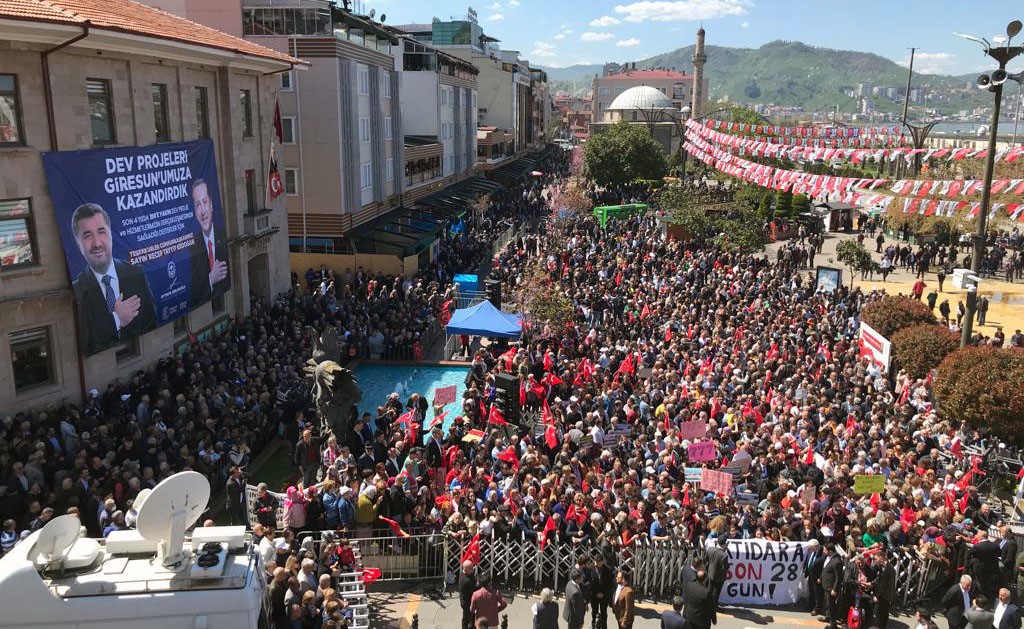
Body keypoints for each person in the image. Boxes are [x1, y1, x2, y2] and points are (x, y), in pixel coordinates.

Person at [70, 202, 156, 354]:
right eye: (87, 236)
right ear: (78, 243)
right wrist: (117, 319)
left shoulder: (136, 274)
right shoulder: (77, 290)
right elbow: (86, 341)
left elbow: (151, 323)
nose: (97, 243)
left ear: (111, 234)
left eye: (101, 232)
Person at [189, 178, 229, 305]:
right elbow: (193, 291)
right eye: (197, 205)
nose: (202, 211)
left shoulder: (223, 235)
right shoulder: (191, 246)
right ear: (195, 212)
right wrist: (210, 279)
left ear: (211, 205)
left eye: (204, 202)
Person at [705, 537, 730, 623]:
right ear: (724, 544)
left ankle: (707, 605)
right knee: (716, 592)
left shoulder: (710, 549)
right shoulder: (724, 555)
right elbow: (725, 568)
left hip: (710, 573)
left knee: (709, 590)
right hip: (719, 576)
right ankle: (714, 607)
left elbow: (706, 559)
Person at [819, 544, 844, 627]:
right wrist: (820, 577)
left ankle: (833, 624)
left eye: (825, 550)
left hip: (831, 587)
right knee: (827, 603)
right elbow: (825, 569)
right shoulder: (829, 558)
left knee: (831, 605)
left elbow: (838, 577)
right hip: (826, 585)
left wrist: (835, 589)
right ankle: (828, 617)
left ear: (830, 551)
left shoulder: (837, 561)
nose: (823, 551)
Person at [872, 551, 896, 629]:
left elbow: (883, 585)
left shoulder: (888, 568)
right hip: (886, 597)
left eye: (876, 559)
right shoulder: (886, 567)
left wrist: (877, 596)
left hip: (884, 597)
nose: (875, 560)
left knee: (881, 616)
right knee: (883, 615)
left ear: (881, 557)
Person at [593, 553, 615, 629]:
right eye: (595, 562)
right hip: (594, 596)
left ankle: (604, 626)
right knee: (594, 612)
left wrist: (603, 593)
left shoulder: (608, 570)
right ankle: (594, 626)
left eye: (598, 563)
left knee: (604, 612)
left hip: (604, 595)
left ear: (602, 562)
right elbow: (590, 583)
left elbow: (610, 585)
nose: (596, 565)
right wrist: (596, 593)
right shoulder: (591, 568)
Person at [805, 539, 824, 616]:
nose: (809, 549)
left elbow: (824, 567)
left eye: (810, 547)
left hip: (817, 577)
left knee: (817, 593)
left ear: (816, 546)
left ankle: (817, 608)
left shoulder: (823, 554)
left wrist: (820, 577)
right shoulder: (811, 552)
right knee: (811, 591)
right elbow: (808, 561)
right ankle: (811, 605)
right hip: (810, 575)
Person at [459, 560, 478, 629]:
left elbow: (472, 578)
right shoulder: (466, 581)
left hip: (467, 600)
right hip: (467, 603)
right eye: (471, 569)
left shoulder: (463, 573)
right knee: (466, 619)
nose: (472, 570)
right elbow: (475, 589)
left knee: (471, 617)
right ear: (466, 569)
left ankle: (472, 626)